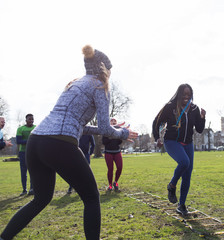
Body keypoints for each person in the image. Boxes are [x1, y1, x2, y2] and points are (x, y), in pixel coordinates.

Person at [0, 45, 138, 240]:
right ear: (103, 69)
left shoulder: (74, 84)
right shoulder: (100, 85)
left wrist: (115, 131)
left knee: (40, 199)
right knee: (91, 197)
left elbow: (79, 125)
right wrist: (123, 133)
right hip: (59, 143)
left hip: (36, 141)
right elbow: (106, 129)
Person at [152, 84, 206, 216]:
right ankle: (172, 185)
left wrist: (203, 117)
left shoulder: (194, 109)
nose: (186, 97)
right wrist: (157, 138)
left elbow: (199, 129)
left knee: (187, 174)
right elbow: (156, 121)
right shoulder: (170, 107)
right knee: (184, 162)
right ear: (179, 94)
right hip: (172, 141)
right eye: (184, 94)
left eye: (189, 94)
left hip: (188, 143)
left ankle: (181, 205)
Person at [16, 114, 36, 196]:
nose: (31, 120)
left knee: (33, 171)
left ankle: (32, 189)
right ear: (26, 120)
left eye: (32, 119)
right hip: (23, 152)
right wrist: (30, 140)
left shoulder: (36, 128)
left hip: (33, 152)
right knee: (23, 171)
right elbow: (18, 141)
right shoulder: (20, 129)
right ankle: (24, 190)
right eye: (29, 119)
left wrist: (27, 141)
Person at [102, 118, 124, 191]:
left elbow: (120, 142)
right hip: (108, 152)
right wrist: (111, 137)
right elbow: (104, 142)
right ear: (109, 123)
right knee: (110, 169)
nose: (113, 122)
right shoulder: (106, 130)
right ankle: (110, 185)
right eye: (112, 121)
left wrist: (119, 136)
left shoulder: (118, 131)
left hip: (117, 151)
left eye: (115, 121)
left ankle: (115, 182)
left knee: (120, 167)